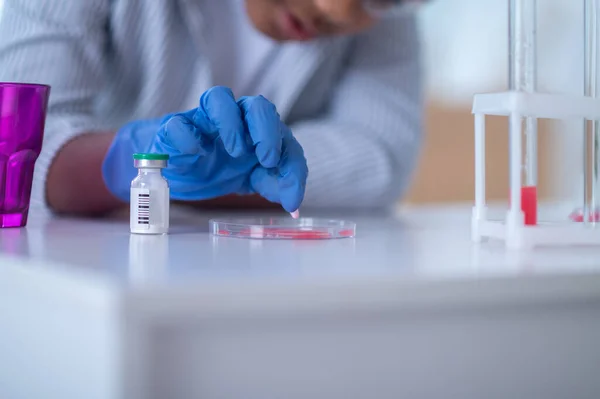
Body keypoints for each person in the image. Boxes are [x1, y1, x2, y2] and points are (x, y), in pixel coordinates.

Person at [0, 0, 424, 217]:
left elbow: (380, 158)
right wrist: (129, 162)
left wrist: (233, 170)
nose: (333, 8)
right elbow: (12, 152)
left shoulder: (386, 18)